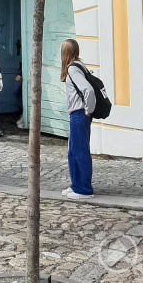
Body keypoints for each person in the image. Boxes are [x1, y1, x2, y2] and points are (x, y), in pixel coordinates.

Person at [61, 38, 95, 200]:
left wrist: (88, 110)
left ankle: (84, 189)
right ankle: (76, 184)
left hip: (79, 114)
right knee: (73, 151)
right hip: (77, 114)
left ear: (66, 53)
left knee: (80, 151)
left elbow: (88, 90)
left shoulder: (73, 69)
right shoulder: (78, 66)